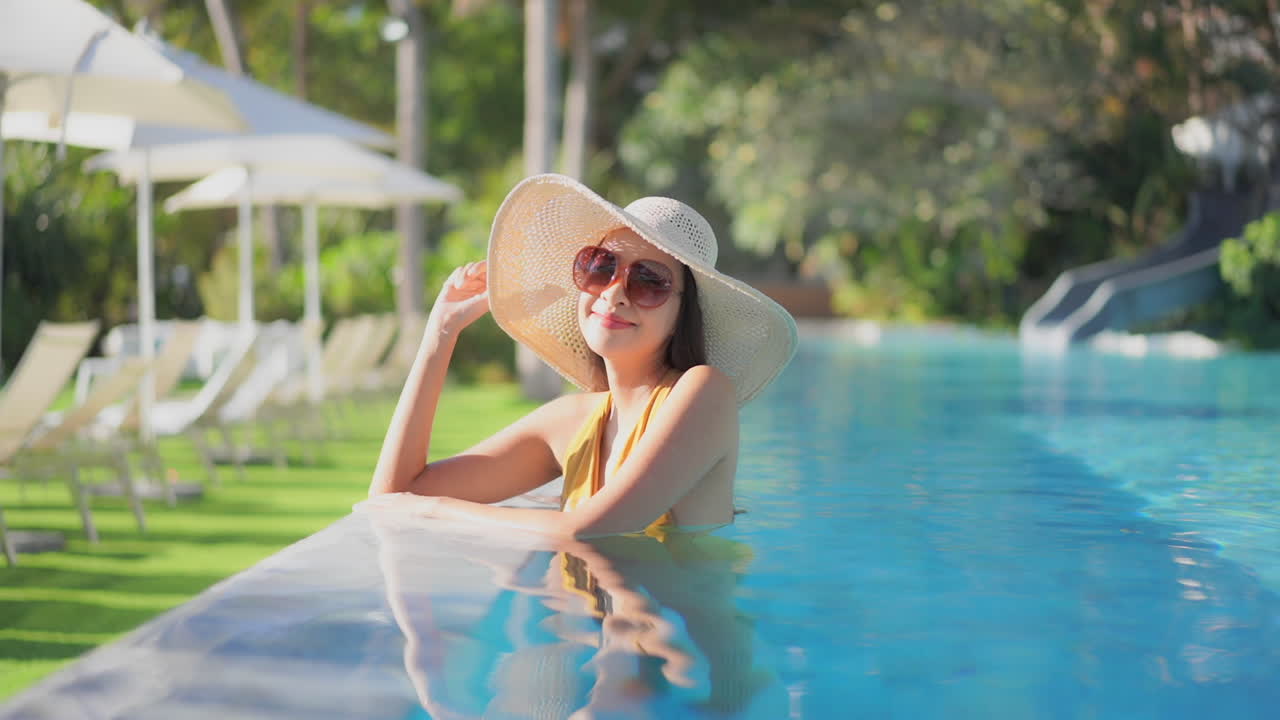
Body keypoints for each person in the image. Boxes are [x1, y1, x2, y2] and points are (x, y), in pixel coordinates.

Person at [365, 173, 797, 538]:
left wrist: (434, 510)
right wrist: (441, 333)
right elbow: (392, 496)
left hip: (675, 620)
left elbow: (584, 530)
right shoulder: (574, 421)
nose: (614, 293)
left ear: (683, 313)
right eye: (601, 267)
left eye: (649, 281)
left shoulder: (704, 393)